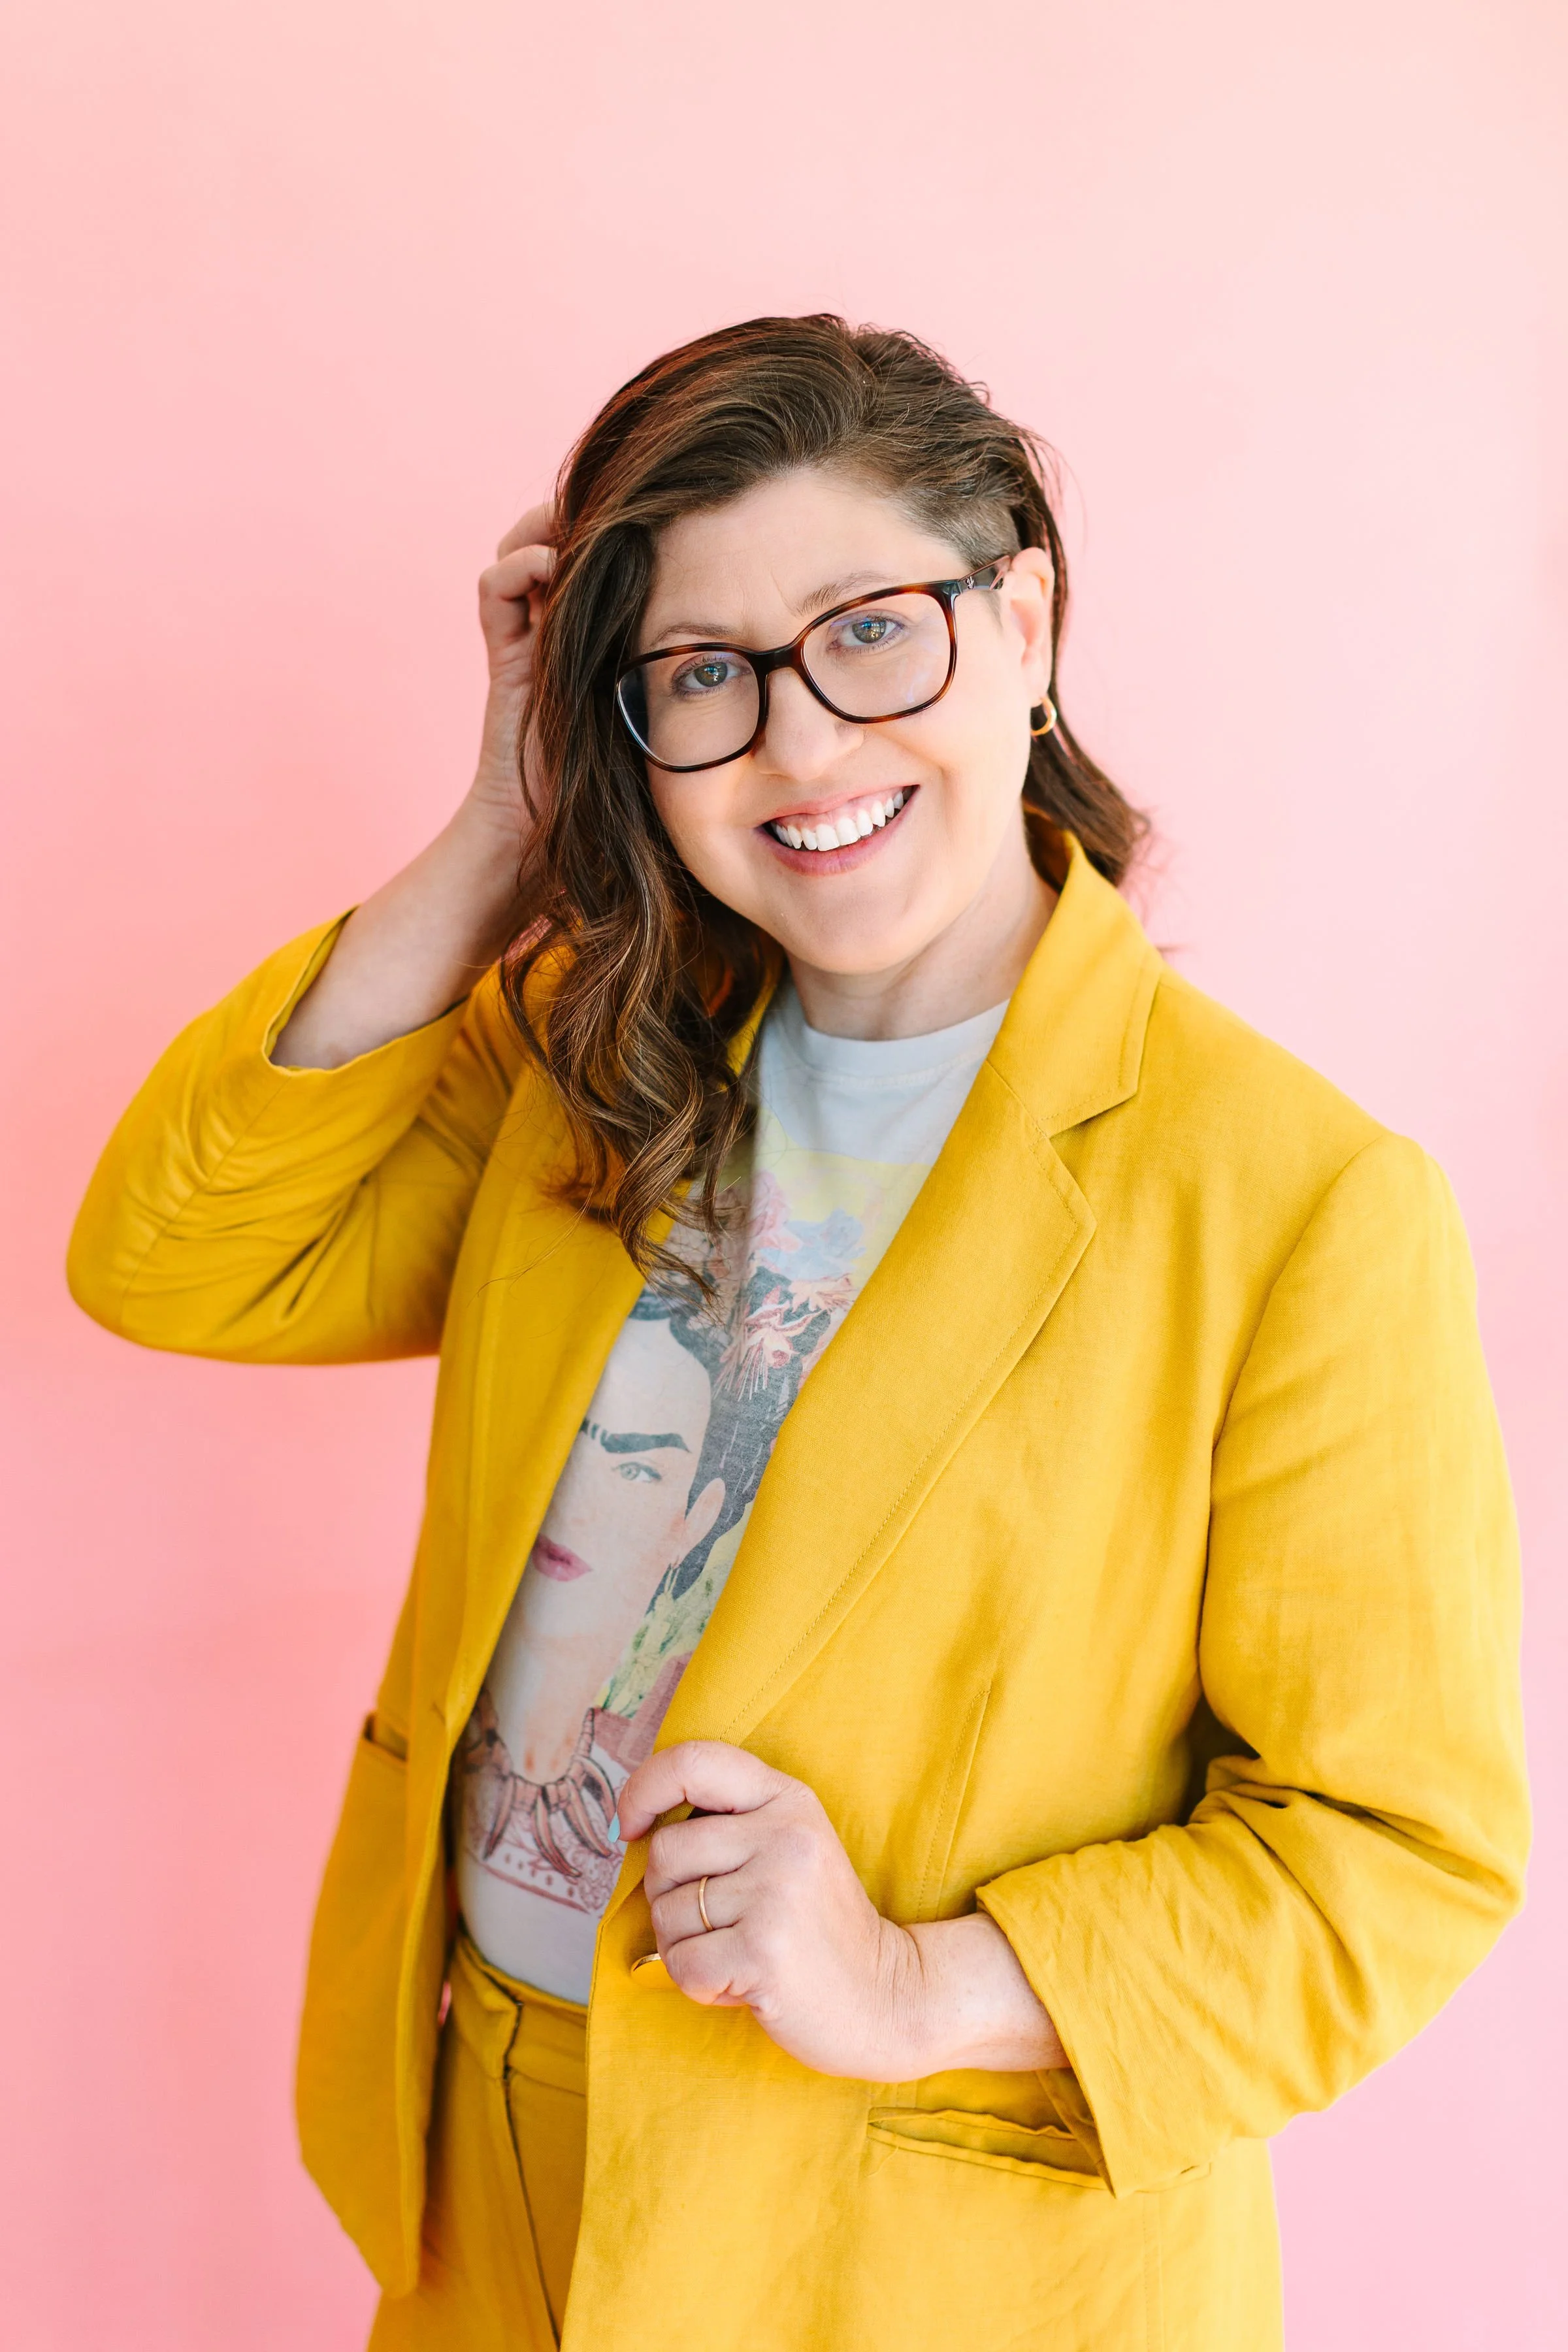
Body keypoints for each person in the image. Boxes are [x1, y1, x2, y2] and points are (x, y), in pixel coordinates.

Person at [67, 315, 1529, 2352]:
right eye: (703, 675)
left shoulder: (1294, 1200)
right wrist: (502, 823)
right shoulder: (586, 1060)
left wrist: (922, 1984)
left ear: (1025, 623)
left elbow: (1395, 1854)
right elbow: (180, 1260)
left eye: (872, 636)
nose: (805, 745)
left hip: (899, 2245)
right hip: (483, 2160)